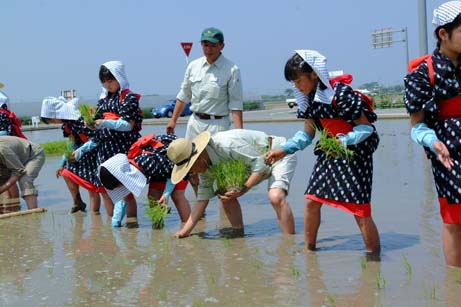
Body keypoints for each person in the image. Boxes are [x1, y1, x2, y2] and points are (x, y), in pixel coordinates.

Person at [265, 50, 381, 257]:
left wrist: (344, 140)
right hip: (329, 152)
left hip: (356, 154)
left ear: (315, 75)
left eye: (299, 80)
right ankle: (310, 252)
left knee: (360, 210)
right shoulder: (308, 100)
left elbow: (366, 128)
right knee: (311, 200)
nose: (297, 86)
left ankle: (374, 257)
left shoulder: (340, 95)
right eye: (293, 82)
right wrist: (284, 150)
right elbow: (307, 135)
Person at [404, 1, 461, 267]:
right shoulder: (423, 73)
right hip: (449, 152)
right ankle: (455, 283)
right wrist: (432, 141)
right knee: (454, 220)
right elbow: (417, 126)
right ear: (443, 34)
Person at [167, 129, 297, 238]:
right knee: (225, 196)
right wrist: (185, 231)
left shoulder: (225, 145)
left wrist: (243, 190)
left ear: (197, 159)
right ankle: (238, 233)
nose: (192, 173)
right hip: (252, 164)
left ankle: (289, 242)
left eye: (190, 169)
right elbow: (202, 198)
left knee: (275, 196)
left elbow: (261, 162)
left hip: (277, 154)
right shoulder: (204, 166)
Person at [80, 60, 143, 226]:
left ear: (119, 78)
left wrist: (106, 123)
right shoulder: (103, 100)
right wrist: (91, 126)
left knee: (124, 190)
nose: (108, 85)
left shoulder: (128, 98)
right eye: (104, 82)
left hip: (122, 148)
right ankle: (113, 224)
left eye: (110, 80)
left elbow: (128, 125)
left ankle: (131, 225)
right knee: (107, 190)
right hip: (105, 150)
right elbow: (98, 129)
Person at [166, 27, 243, 140]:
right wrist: (173, 120)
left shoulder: (231, 70)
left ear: (221, 46)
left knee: (217, 157)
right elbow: (184, 95)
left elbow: (235, 104)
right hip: (195, 124)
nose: (209, 49)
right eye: (205, 45)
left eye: (213, 46)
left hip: (218, 125)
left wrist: (240, 134)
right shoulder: (193, 66)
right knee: (190, 157)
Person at [98, 134, 191, 227]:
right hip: (160, 168)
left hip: (178, 161)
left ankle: (188, 225)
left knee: (177, 195)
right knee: (153, 197)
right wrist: (115, 223)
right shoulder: (126, 172)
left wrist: (166, 194)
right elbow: (122, 200)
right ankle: (157, 227)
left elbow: (173, 173)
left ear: (122, 179)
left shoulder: (149, 162)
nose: (123, 188)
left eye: (120, 186)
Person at [40, 96, 103, 213]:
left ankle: (95, 217)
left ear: (57, 114)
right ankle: (78, 201)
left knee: (91, 186)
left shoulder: (78, 120)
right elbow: (71, 142)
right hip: (80, 153)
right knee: (65, 172)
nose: (53, 122)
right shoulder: (67, 124)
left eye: (52, 119)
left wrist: (81, 150)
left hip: (93, 153)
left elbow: (97, 138)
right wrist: (62, 161)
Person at [0, 136, 45, 209]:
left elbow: (18, 171)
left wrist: (3, 188)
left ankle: (33, 211)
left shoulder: (2, 150)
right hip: (14, 157)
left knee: (24, 180)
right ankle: (14, 209)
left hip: (33, 154)